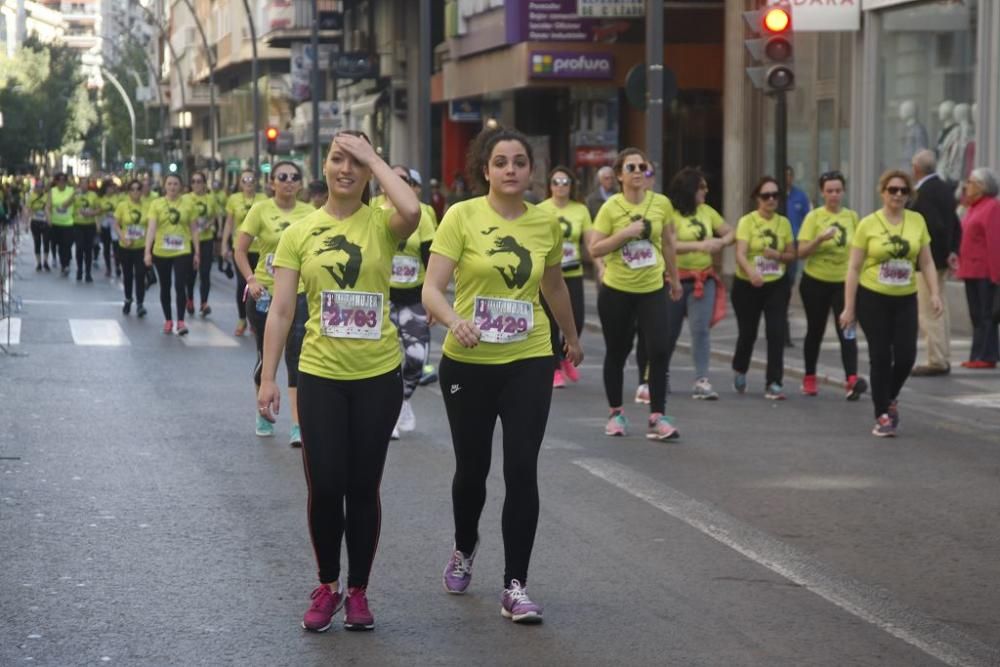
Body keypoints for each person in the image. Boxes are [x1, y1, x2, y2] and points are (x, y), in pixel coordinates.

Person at [257, 131, 420, 632]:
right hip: (320, 377)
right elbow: (282, 310)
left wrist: (373, 155)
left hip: (376, 378)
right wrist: (267, 379)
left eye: (357, 161)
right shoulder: (299, 233)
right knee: (325, 485)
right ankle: (327, 584)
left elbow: (411, 209)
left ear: (371, 170)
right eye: (337, 159)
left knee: (361, 487)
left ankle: (359, 591)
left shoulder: (383, 224)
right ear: (322, 168)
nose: (346, 168)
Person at [422, 125, 582, 624]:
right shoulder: (461, 217)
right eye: (501, 162)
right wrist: (453, 320)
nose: (511, 170)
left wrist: (571, 337)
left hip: (529, 358)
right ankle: (464, 546)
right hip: (468, 362)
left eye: (519, 161)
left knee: (521, 469)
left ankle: (515, 584)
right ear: (485, 170)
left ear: (531, 170)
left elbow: (554, 286)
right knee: (472, 471)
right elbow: (431, 289)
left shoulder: (545, 224)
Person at [840, 170, 942, 437]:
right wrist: (849, 307)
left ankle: (889, 397)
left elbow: (927, 261)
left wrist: (934, 293)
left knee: (907, 356)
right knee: (881, 356)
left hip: (906, 297)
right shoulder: (868, 224)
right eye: (892, 190)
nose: (898, 195)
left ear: (909, 195)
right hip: (873, 297)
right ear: (882, 192)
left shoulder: (917, 221)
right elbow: (853, 267)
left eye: (903, 191)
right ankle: (882, 415)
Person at [590, 148, 682, 438]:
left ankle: (657, 416)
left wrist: (675, 279)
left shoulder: (661, 203)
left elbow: (667, 243)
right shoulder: (610, 208)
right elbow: (595, 248)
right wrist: (626, 233)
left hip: (652, 288)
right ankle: (616, 414)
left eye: (643, 166)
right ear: (619, 175)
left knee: (659, 349)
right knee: (618, 351)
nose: (639, 171)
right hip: (617, 290)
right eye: (631, 167)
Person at [235, 161, 315, 444]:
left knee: (297, 356)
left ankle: (297, 424)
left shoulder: (311, 213)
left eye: (294, 177)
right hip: (265, 294)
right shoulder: (260, 210)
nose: (289, 181)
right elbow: (240, 250)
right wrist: (251, 281)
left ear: (300, 184)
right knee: (265, 354)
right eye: (282, 177)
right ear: (272, 183)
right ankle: (263, 411)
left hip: (300, 292)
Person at [369, 165, 436, 439]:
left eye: (405, 179)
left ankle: (403, 400)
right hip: (380, 299)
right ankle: (389, 412)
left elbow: (431, 258)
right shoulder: (371, 208)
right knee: (382, 361)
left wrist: (435, 298)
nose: (398, 183)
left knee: (416, 356)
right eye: (393, 178)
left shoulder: (422, 213)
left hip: (413, 297)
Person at [796, 171, 867, 399]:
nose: (834, 195)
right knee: (815, 330)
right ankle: (809, 377)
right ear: (822, 193)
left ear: (843, 191)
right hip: (815, 281)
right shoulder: (814, 217)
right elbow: (801, 252)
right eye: (829, 191)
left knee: (847, 330)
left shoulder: (853, 217)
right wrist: (819, 239)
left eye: (837, 191)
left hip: (843, 283)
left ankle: (852, 379)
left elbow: (860, 249)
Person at [666, 168, 734, 400]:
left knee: (700, 330)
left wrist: (720, 242)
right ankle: (660, 375)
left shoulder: (707, 211)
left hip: (703, 278)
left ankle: (702, 379)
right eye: (701, 187)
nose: (706, 191)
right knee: (668, 331)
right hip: (675, 278)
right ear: (689, 189)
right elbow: (670, 245)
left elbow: (730, 232)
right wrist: (700, 246)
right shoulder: (672, 214)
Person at [732, 176, 797, 400]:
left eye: (775, 195)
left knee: (776, 332)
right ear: (757, 198)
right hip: (748, 284)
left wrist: (777, 255)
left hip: (776, 284)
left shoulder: (784, 223)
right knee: (748, 333)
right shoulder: (747, 222)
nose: (771, 200)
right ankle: (740, 369)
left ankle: (774, 382)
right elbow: (740, 253)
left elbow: (791, 255)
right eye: (766, 196)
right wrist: (752, 272)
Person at [537, 166, 599, 388]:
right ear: (550, 186)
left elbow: (590, 240)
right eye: (556, 182)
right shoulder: (541, 209)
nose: (561, 186)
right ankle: (554, 368)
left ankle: (564, 356)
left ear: (571, 186)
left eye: (565, 182)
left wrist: (600, 262)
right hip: (548, 274)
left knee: (578, 319)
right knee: (551, 322)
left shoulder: (580, 210)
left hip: (574, 272)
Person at [909, 149, 960, 376]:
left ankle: (936, 359)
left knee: (929, 309)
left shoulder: (924, 193)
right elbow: (955, 223)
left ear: (916, 169)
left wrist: (928, 255)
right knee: (941, 307)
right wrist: (952, 250)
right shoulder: (944, 188)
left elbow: (933, 226)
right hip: (942, 257)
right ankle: (943, 354)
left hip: (928, 259)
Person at [955, 168, 1000, 368]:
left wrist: (996, 274)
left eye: (971, 182)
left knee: (986, 314)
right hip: (970, 270)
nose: (967, 186)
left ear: (982, 187)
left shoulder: (992, 207)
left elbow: (994, 242)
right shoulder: (972, 207)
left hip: (984, 271)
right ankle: (977, 354)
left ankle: (987, 355)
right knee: (976, 315)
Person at [144, 174, 199, 335]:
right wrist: (147, 252)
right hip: (161, 251)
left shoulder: (189, 204)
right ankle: (168, 319)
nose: (172, 187)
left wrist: (197, 252)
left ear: (180, 186)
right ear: (164, 186)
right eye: (169, 184)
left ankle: (180, 321)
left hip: (183, 250)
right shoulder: (156, 204)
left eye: (176, 184)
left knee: (180, 285)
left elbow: (194, 229)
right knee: (165, 286)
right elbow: (151, 229)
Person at [222, 170, 267, 336]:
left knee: (259, 286)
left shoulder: (263, 199)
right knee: (243, 284)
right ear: (240, 183)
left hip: (260, 249)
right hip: (241, 249)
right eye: (245, 179)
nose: (248, 182)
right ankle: (242, 318)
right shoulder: (234, 199)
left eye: (251, 179)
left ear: (256, 182)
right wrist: (223, 245)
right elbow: (229, 223)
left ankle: (255, 321)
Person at [183, 171, 221, 317]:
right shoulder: (186, 199)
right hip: (190, 240)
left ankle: (204, 303)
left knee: (205, 272)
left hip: (206, 239)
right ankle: (190, 299)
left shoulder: (210, 198)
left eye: (199, 181)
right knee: (190, 273)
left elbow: (215, 215)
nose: (196, 184)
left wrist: (210, 225)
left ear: (204, 184)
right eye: (193, 181)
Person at [784, 166, 812, 348]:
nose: (788, 178)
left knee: (788, 285)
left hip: (793, 248)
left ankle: (784, 329)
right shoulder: (774, 196)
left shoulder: (800, 196)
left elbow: (807, 220)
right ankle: (779, 329)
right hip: (775, 249)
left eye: (790, 175)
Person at [113, 179, 149, 317]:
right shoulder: (122, 205)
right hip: (125, 247)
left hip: (141, 247)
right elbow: (116, 224)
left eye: (138, 189)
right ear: (128, 192)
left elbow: (151, 225)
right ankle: (128, 299)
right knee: (127, 275)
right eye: (132, 189)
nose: (135, 192)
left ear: (141, 191)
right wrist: (123, 238)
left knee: (140, 275)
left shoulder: (147, 206)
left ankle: (140, 303)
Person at [46, 173, 76, 275]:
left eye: (63, 180)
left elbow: (74, 202)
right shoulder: (52, 192)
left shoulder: (71, 191)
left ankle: (66, 264)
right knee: (59, 245)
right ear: (56, 181)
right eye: (59, 180)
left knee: (67, 245)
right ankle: (63, 264)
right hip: (56, 223)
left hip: (68, 223)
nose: (61, 183)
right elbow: (48, 206)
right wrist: (49, 218)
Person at [72, 177, 99, 282]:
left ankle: (88, 272)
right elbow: (65, 204)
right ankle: (79, 269)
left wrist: (91, 213)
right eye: (82, 184)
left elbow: (99, 209)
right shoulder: (76, 195)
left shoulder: (93, 195)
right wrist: (73, 195)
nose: (84, 186)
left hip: (89, 225)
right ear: (79, 185)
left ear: (88, 185)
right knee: (79, 247)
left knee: (88, 249)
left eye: (86, 184)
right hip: (78, 224)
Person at [96, 181, 120, 278]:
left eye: (112, 188)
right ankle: (108, 268)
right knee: (106, 247)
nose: (110, 190)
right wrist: (98, 225)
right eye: (108, 188)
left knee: (116, 248)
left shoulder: (118, 198)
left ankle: (118, 266)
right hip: (104, 225)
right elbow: (97, 213)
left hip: (115, 226)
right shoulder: (100, 199)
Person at [28, 180, 51, 272]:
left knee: (46, 242)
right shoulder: (31, 197)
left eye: (41, 187)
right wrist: (31, 213)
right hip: (35, 222)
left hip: (45, 222)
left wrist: (49, 219)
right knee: (37, 242)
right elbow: (28, 208)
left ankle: (45, 261)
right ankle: (38, 263)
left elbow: (50, 208)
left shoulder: (47, 197)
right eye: (38, 186)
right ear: (35, 187)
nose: (39, 188)